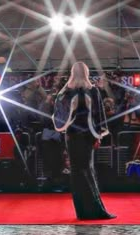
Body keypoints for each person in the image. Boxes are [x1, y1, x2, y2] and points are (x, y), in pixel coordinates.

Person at [52, 62, 116, 220]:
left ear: (73, 73)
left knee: (77, 173)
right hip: (88, 135)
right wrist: (98, 135)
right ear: (86, 73)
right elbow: (99, 115)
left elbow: (58, 113)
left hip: (72, 136)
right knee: (87, 171)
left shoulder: (66, 92)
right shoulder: (93, 91)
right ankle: (95, 210)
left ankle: (82, 211)